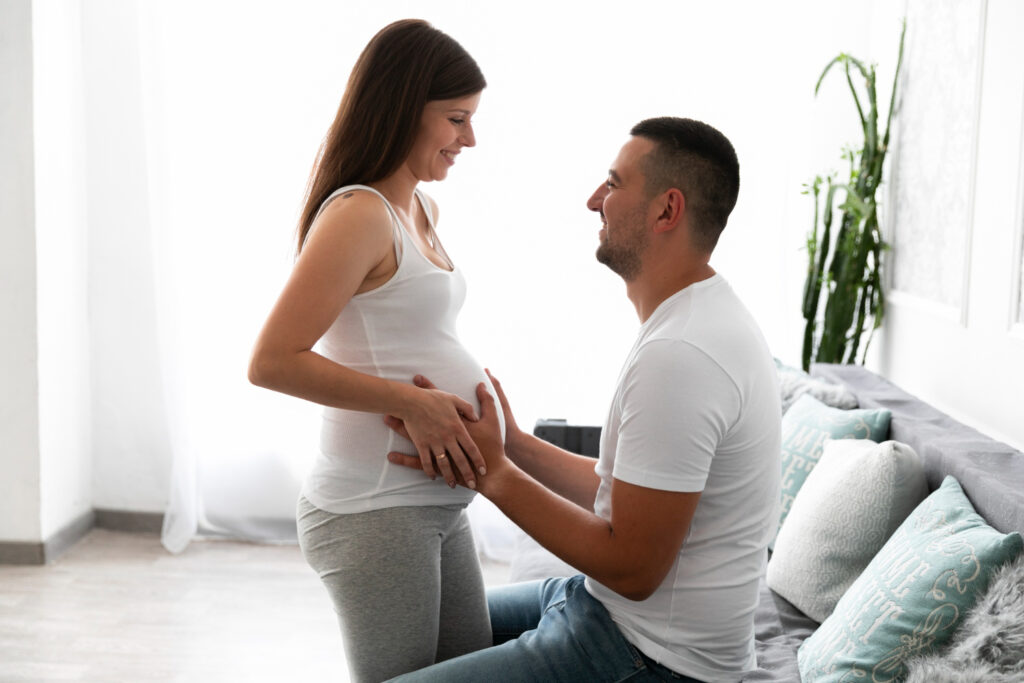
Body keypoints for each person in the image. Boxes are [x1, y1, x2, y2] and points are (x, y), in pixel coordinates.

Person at [385, 117, 782, 682]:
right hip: (602, 610)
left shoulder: (683, 354)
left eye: (614, 184)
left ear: (667, 211)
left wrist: (494, 473)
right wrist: (516, 446)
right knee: (418, 631)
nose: (594, 200)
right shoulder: (695, 319)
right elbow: (626, 492)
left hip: (652, 658)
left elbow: (633, 568)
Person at [247, 19, 502, 683]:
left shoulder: (420, 209)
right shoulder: (359, 214)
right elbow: (272, 359)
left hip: (431, 505)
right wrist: (409, 404)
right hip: (375, 508)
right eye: (456, 118)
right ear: (403, 107)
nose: (469, 139)